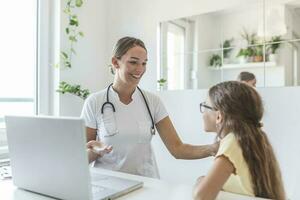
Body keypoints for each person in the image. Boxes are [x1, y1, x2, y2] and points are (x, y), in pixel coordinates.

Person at [81, 36, 218, 178]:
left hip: (146, 184)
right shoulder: (95, 102)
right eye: (133, 62)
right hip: (108, 184)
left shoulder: (153, 102)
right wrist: (95, 151)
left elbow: (177, 149)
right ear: (115, 62)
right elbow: (81, 157)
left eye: (144, 63)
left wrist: (212, 148)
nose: (139, 69)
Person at [193, 81, 285, 200]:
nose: (203, 112)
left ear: (219, 116)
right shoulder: (255, 138)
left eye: (205, 106)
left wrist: (200, 181)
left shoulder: (232, 142)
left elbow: (201, 196)